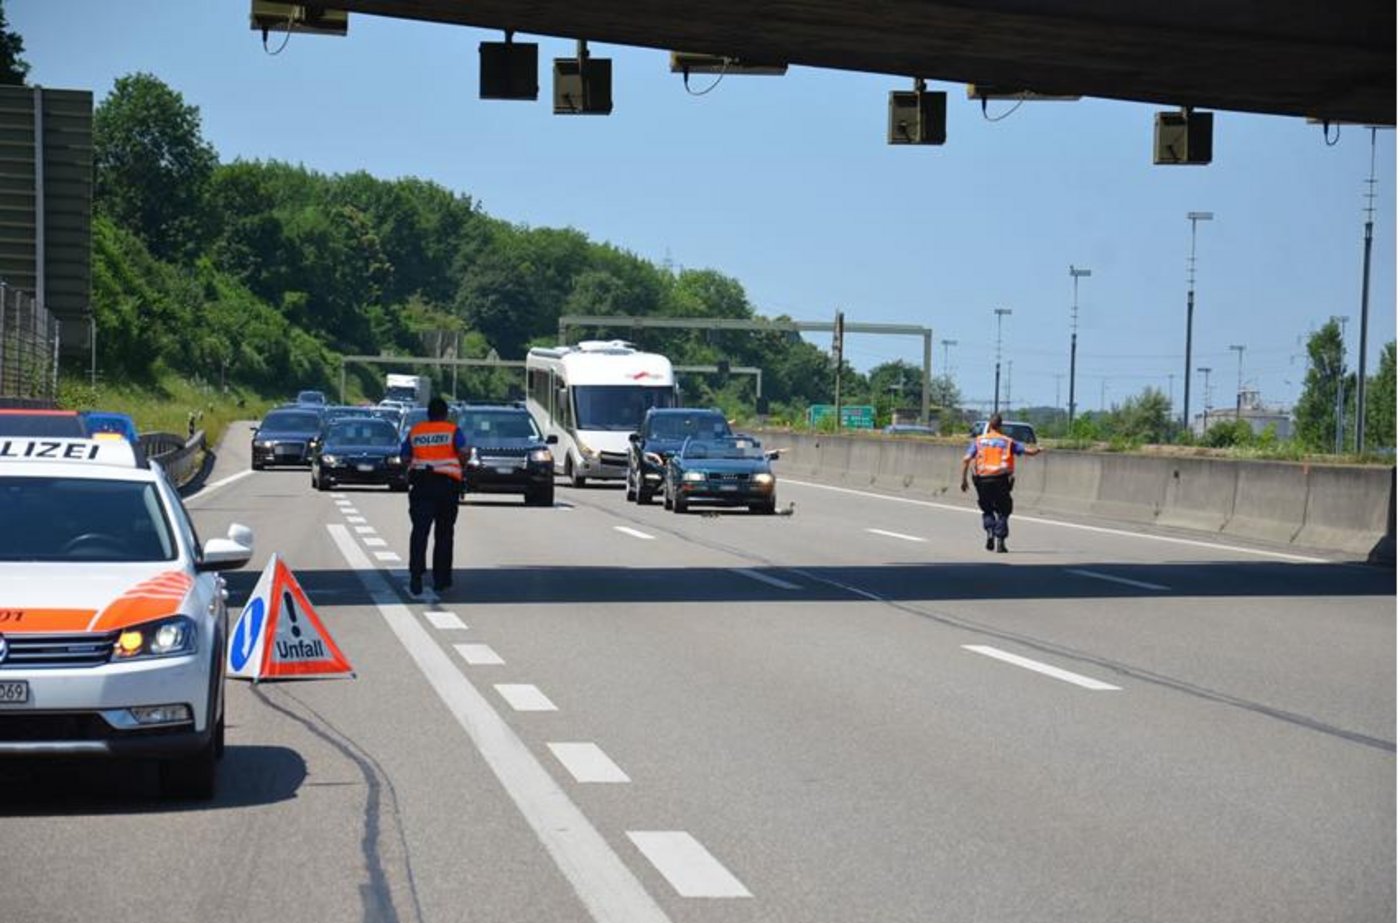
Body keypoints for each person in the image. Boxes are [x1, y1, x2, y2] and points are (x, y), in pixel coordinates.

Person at [401, 396, 468, 595]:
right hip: (447, 486)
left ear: (428, 414)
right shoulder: (453, 431)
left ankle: (416, 575)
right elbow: (463, 453)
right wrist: (460, 463)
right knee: (444, 533)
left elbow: (405, 457)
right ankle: (441, 579)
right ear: (445, 414)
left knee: (420, 531)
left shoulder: (416, 432)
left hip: (421, 485)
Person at [959, 413, 1042, 553]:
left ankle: (990, 530)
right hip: (1001, 480)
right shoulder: (1008, 441)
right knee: (1004, 510)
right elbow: (1029, 451)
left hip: (982, 480)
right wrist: (1038, 450)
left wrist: (964, 480)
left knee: (987, 509)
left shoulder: (979, 441)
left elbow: (966, 459)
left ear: (989, 425)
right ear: (1000, 426)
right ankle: (1000, 541)